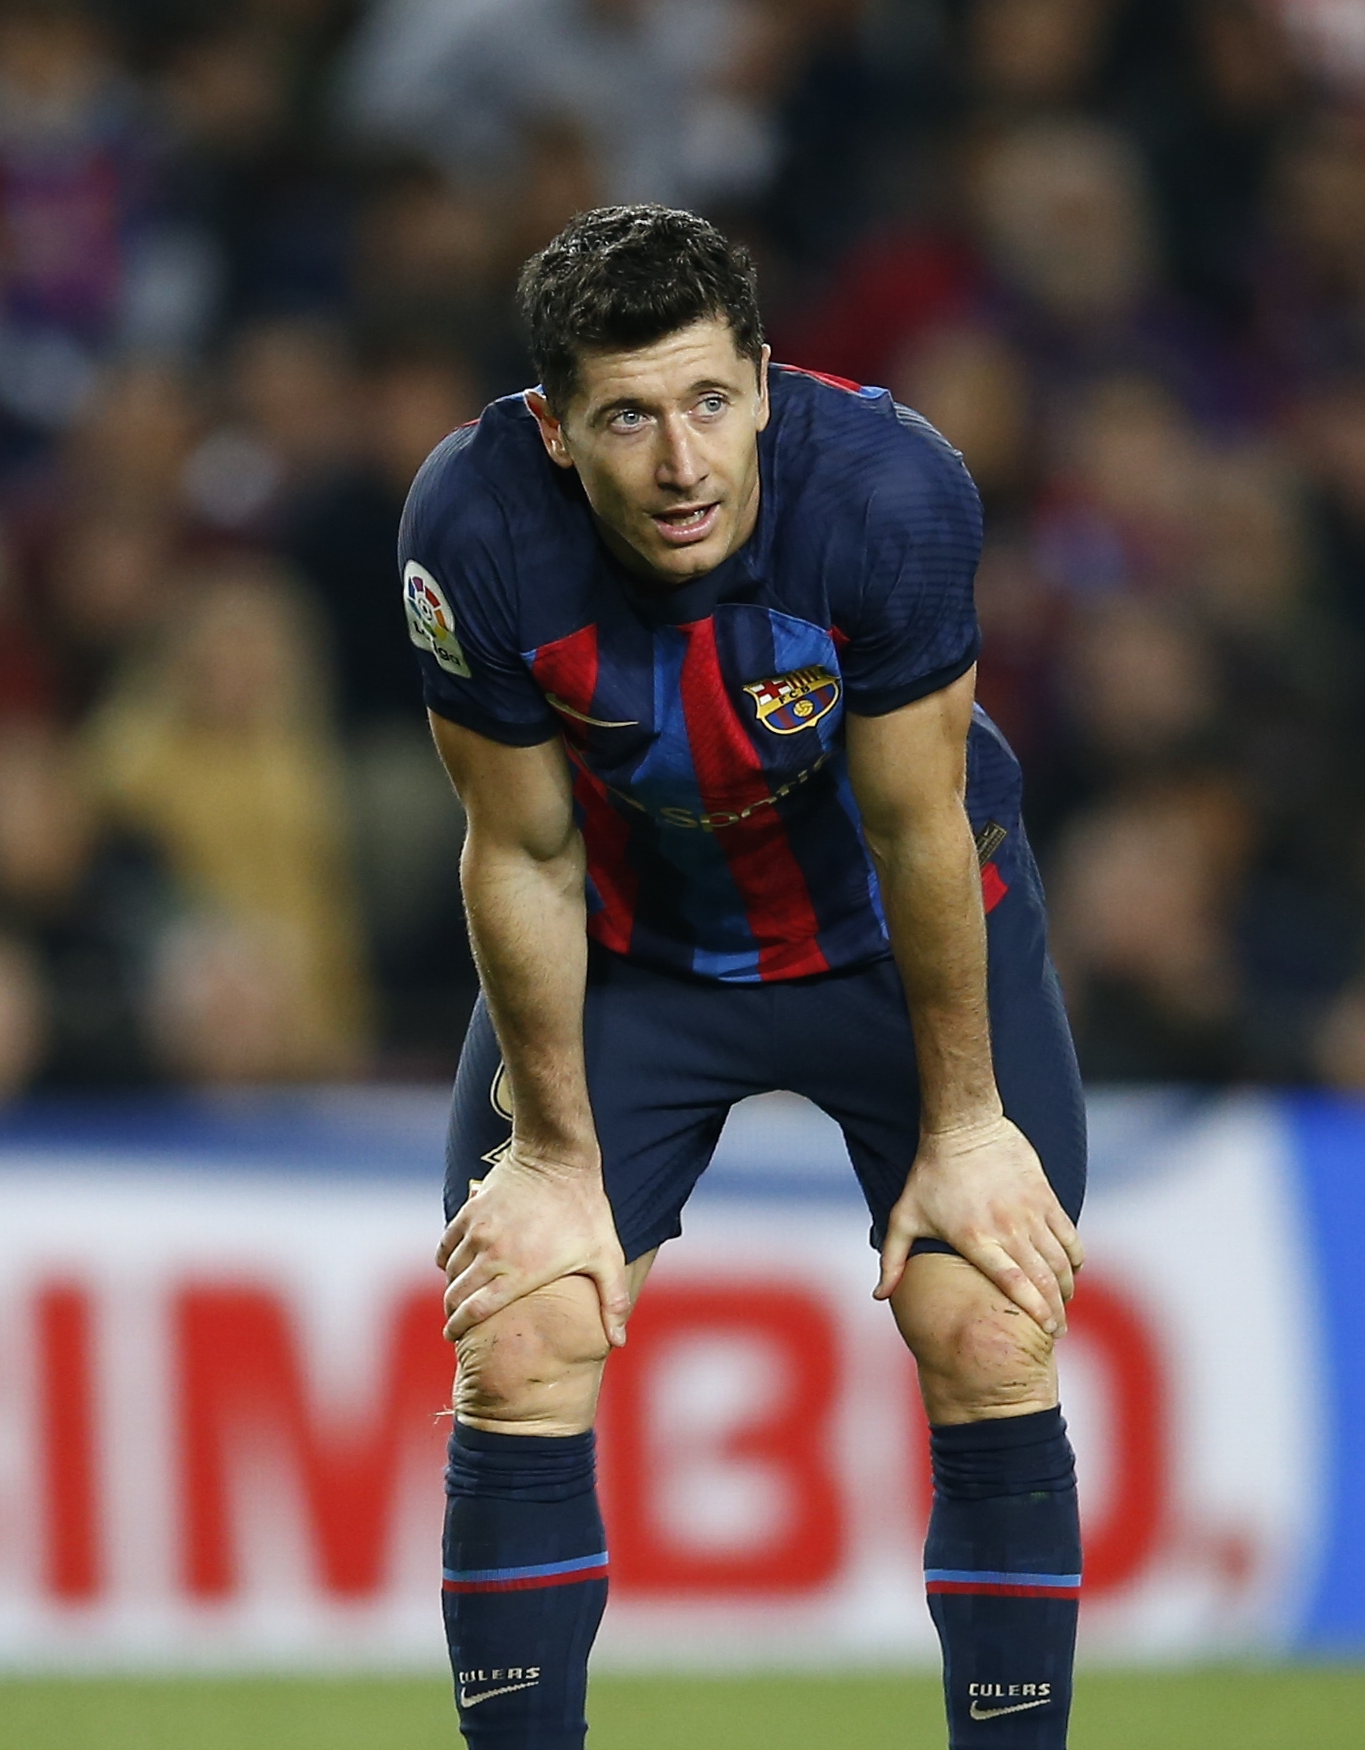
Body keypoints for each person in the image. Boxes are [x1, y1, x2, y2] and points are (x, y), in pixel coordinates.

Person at [407, 207, 1086, 1748]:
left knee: (986, 1319)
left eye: (711, 401)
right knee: (522, 1325)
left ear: (767, 381)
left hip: (893, 941)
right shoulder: (473, 527)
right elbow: (517, 854)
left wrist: (968, 1123)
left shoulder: (893, 497)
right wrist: (559, 1158)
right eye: (628, 417)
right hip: (636, 950)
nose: (683, 461)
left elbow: (918, 823)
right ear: (555, 431)